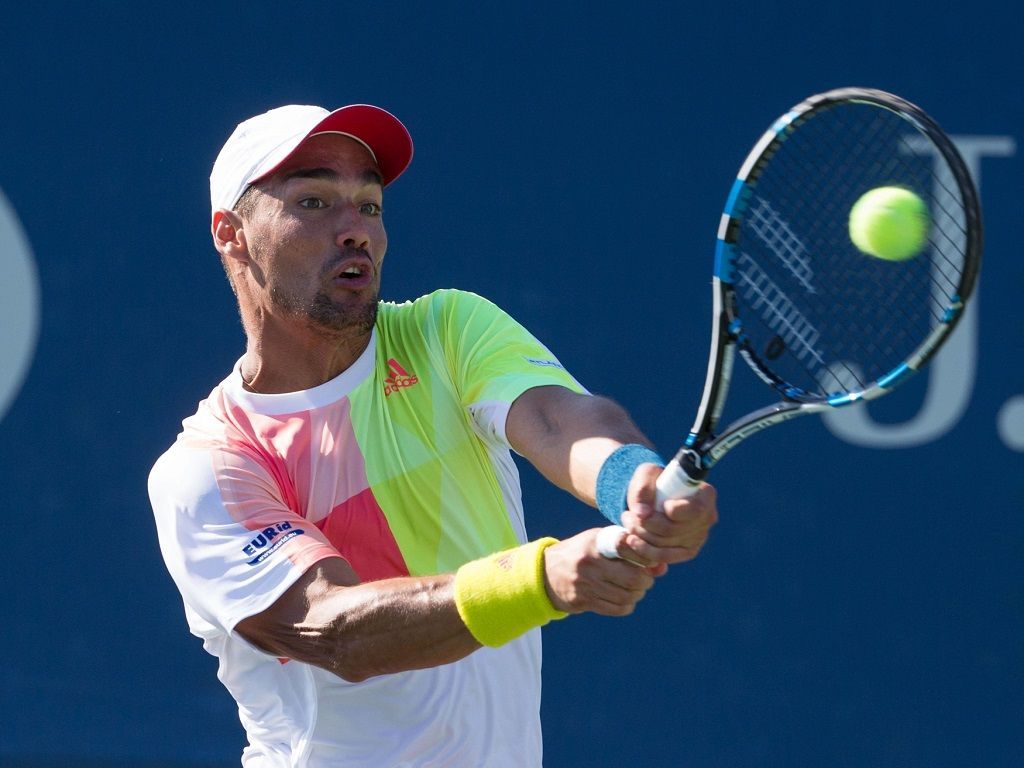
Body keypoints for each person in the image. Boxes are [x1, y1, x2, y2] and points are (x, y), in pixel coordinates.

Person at [148, 103, 718, 767]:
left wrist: (632, 482)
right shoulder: (210, 467)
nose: (355, 230)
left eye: (370, 205)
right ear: (233, 234)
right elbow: (334, 629)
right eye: (314, 201)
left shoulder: (446, 333)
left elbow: (559, 419)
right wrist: (540, 581)